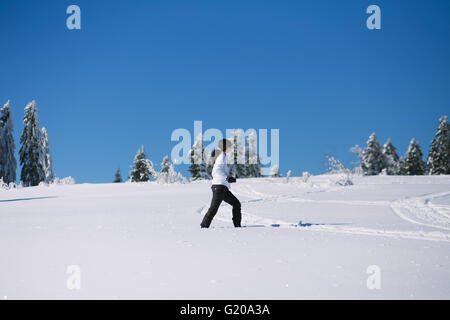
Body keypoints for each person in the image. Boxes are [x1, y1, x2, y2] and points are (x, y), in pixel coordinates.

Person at [200, 138, 241, 228]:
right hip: (219, 187)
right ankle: (204, 226)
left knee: (236, 204)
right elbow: (217, 171)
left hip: (222, 187)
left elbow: (221, 170)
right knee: (214, 208)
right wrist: (227, 178)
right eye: (230, 146)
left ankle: (237, 225)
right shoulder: (221, 156)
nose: (231, 148)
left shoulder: (223, 156)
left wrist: (229, 178)